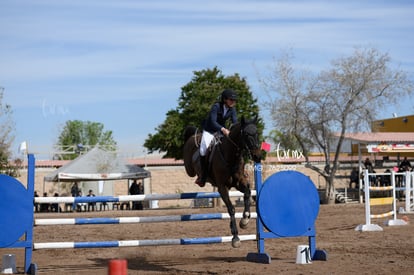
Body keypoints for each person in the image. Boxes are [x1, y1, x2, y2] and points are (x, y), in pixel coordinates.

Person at [196, 89, 238, 187]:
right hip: (210, 130)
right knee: (203, 149)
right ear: (225, 100)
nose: (233, 102)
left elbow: (235, 122)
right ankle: (203, 175)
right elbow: (213, 122)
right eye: (231, 99)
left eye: (234, 100)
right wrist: (223, 129)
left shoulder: (232, 110)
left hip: (220, 132)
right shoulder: (216, 107)